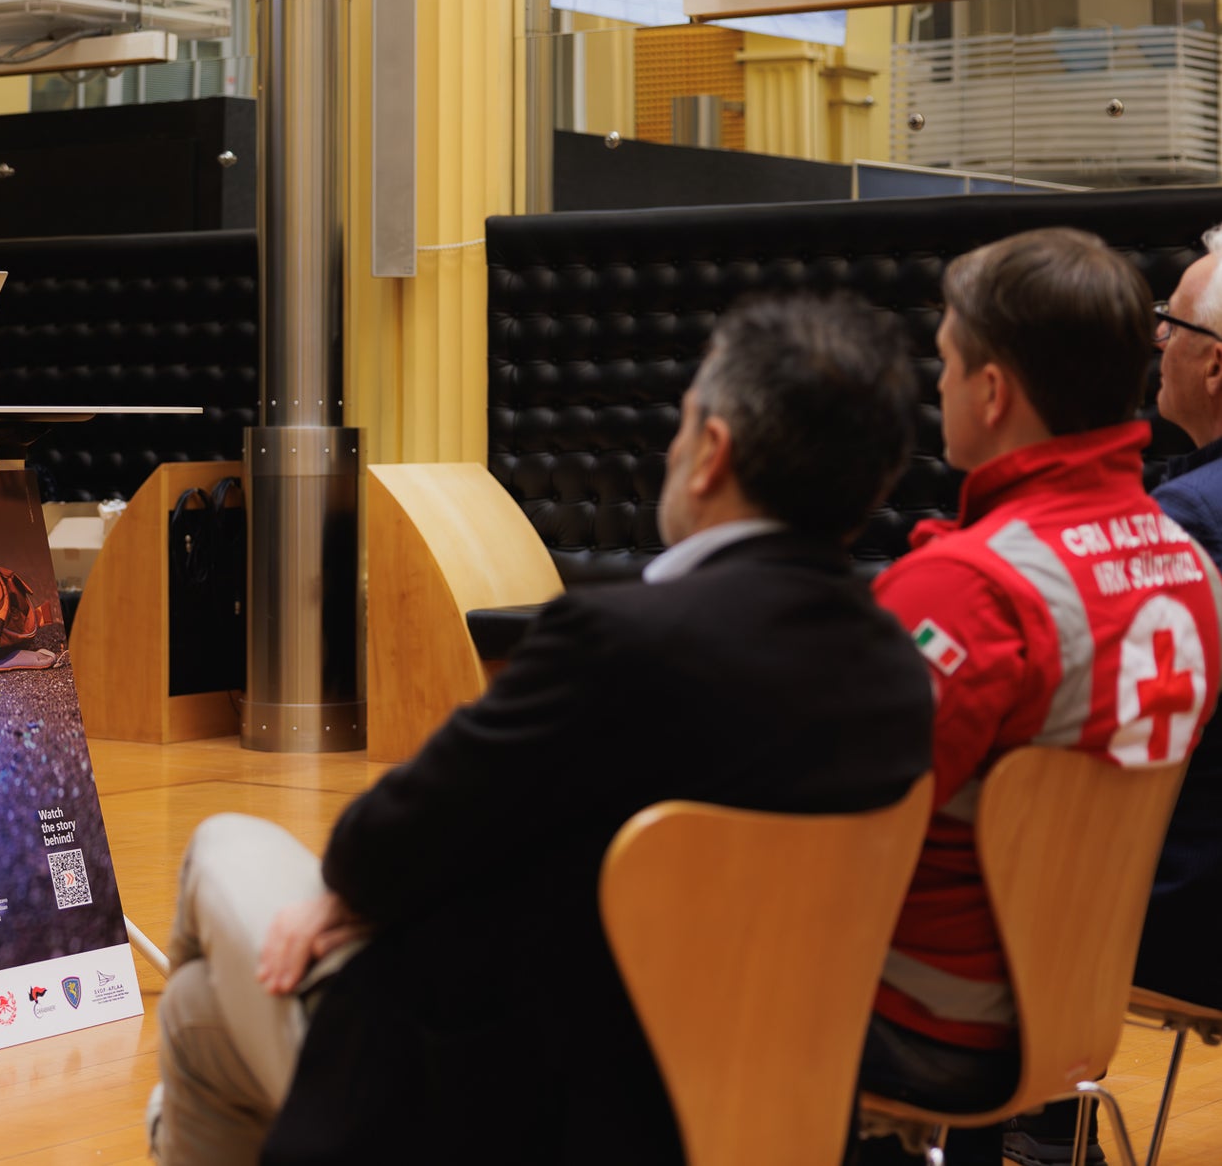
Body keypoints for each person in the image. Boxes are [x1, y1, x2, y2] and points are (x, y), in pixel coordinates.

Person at [150, 296, 937, 1166]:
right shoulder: (896, 674)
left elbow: (377, 846)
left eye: (681, 424)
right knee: (195, 1014)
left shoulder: (615, 644)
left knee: (218, 847)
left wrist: (353, 899)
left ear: (711, 451)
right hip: (764, 1102)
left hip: (507, 1110)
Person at [858, 227, 1222, 1165]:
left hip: (927, 1018)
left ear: (990, 391)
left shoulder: (967, 592)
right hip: (1075, 1004)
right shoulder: (1189, 568)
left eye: (945, 361)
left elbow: (834, 825)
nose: (936, 384)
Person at [998, 230, 1222, 1166]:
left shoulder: (1182, 528)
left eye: (1169, 324)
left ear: (1213, 367)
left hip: (1187, 913)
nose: (1154, 341)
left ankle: (1037, 1124)